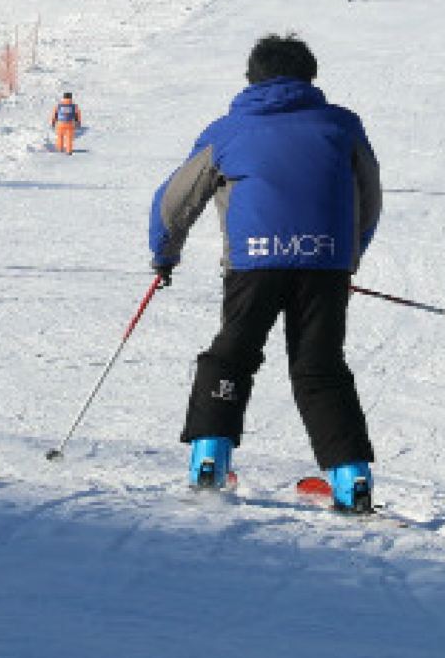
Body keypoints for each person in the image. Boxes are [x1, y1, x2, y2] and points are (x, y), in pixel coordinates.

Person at [148, 34, 382, 512]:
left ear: (251, 78)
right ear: (309, 77)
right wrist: (349, 256)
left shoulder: (228, 131)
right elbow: (370, 193)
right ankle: (350, 479)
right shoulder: (342, 125)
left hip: (253, 263)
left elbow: (176, 199)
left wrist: (165, 255)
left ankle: (209, 461)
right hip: (324, 262)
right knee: (320, 367)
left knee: (232, 353)